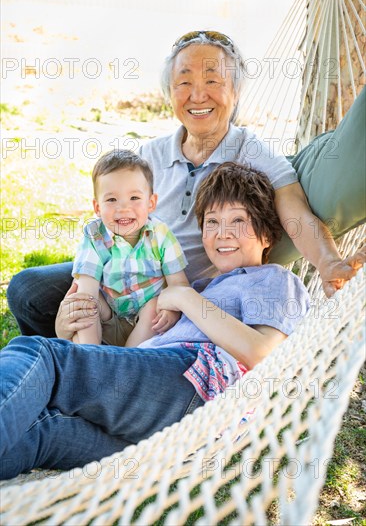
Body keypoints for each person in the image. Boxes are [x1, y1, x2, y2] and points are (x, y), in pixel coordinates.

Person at [6, 30, 365, 339]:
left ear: (235, 92)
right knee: (29, 289)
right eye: (184, 83)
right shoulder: (150, 154)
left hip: (189, 291)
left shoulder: (251, 151)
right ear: (170, 93)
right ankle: (71, 366)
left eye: (213, 81)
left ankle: (101, 366)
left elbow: (294, 210)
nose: (198, 95)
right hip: (124, 277)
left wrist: (329, 263)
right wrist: (87, 280)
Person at [0, 163, 310, 480]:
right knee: (45, 431)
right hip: (164, 431)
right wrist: (67, 332)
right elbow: (134, 350)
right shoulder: (206, 286)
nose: (222, 234)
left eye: (238, 221)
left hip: (198, 385)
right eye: (212, 222)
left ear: (267, 233)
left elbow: (265, 355)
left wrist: (184, 298)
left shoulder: (274, 280)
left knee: (38, 354)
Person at [71, 149, 188, 347]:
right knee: (84, 300)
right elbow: (88, 289)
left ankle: (127, 360)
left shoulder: (160, 235)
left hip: (148, 325)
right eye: (111, 200)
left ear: (151, 203)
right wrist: (86, 306)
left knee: (155, 305)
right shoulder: (94, 236)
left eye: (134, 198)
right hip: (109, 317)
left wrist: (172, 309)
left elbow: (179, 284)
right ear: (97, 207)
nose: (123, 208)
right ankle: (91, 355)